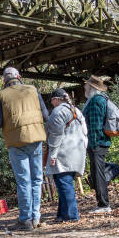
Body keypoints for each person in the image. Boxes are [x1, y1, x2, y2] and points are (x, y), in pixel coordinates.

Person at [0, 66, 49, 231]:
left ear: (4, 80)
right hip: (36, 138)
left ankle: (25, 220)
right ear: (19, 76)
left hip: (16, 142)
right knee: (36, 180)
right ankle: (36, 217)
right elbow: (46, 115)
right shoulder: (33, 89)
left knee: (23, 181)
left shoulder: (1, 95)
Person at [45, 88, 88, 223]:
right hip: (77, 150)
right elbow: (85, 132)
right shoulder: (77, 111)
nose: (52, 104)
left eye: (52, 101)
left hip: (63, 153)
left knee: (64, 183)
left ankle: (71, 215)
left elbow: (55, 136)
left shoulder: (58, 112)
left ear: (56, 99)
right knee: (63, 183)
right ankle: (62, 215)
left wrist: (52, 155)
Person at [82, 75, 119, 214]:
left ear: (91, 88)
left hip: (97, 143)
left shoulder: (95, 101)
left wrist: (92, 144)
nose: (84, 87)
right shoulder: (99, 99)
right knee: (97, 172)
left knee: (98, 173)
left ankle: (104, 204)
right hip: (99, 142)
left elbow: (95, 125)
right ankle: (102, 203)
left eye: (86, 85)